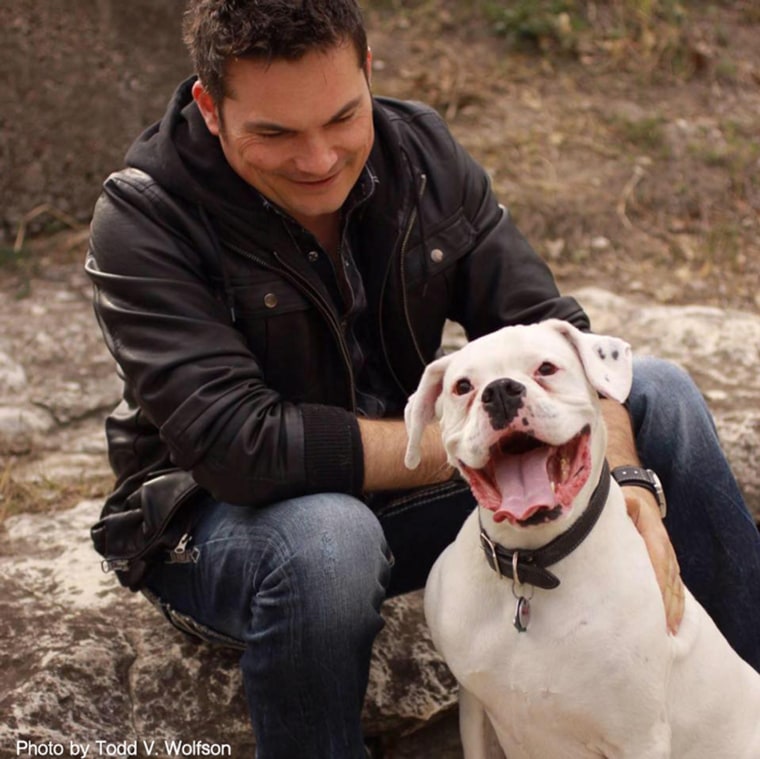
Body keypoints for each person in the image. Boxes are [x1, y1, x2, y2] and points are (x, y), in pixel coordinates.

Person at [85, 1, 760, 756]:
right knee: (329, 543)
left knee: (658, 392)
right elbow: (241, 447)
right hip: (222, 528)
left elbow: (556, 326)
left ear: (369, 73)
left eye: (343, 117)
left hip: (404, 497)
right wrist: (477, 440)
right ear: (210, 107)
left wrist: (629, 476)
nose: (318, 158)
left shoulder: (423, 155)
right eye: (275, 133)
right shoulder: (145, 215)